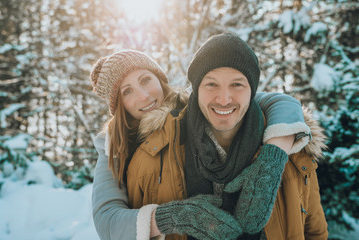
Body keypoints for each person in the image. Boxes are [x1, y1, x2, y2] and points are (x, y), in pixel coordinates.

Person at [90, 49, 315, 239]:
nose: (143, 96)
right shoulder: (115, 147)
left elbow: (277, 101)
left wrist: (272, 159)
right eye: (127, 91)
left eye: (145, 80)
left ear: (159, 78)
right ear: (118, 105)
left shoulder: (192, 104)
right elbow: (106, 219)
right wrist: (173, 217)